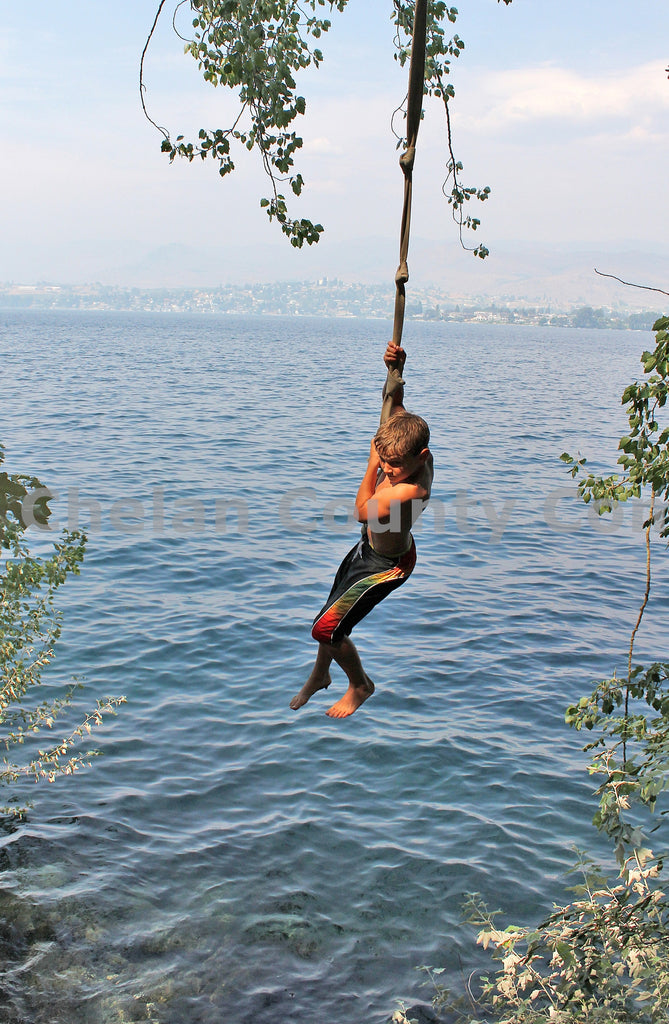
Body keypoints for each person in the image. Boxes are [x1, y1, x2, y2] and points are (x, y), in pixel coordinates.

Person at [290, 340, 433, 719]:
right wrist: (396, 368)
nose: (388, 469)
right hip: (368, 551)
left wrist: (371, 465)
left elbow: (360, 511)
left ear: (418, 459)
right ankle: (321, 674)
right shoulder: (414, 448)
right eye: (384, 462)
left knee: (326, 629)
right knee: (331, 612)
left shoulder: (406, 491)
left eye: (393, 465)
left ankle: (360, 684)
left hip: (385, 565)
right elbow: (396, 408)